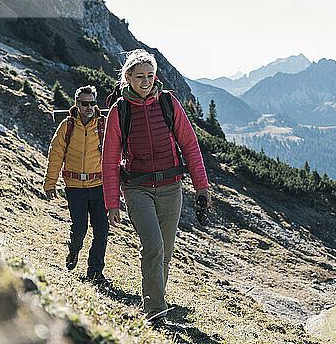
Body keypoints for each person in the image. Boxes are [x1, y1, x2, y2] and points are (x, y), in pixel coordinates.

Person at [102, 49, 211, 326]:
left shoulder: (168, 103)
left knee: (166, 249)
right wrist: (112, 203)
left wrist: (201, 186)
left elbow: (189, 145)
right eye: (140, 77)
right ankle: (155, 313)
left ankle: (154, 299)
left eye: (150, 75)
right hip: (137, 189)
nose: (146, 81)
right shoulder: (119, 110)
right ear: (127, 78)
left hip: (171, 187)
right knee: (153, 245)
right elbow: (110, 158)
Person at [43, 85, 109, 284]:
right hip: (74, 187)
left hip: (99, 185)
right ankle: (74, 249)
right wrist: (50, 183)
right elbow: (55, 155)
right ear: (77, 104)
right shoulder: (67, 126)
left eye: (92, 103)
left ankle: (95, 272)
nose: (89, 107)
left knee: (101, 230)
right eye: (84, 103)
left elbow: (114, 155)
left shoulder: (104, 125)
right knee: (79, 227)